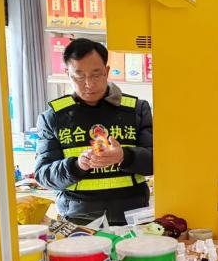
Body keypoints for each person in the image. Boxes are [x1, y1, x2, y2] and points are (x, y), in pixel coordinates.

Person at [35, 38, 153, 225]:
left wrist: (124, 156)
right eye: (79, 76)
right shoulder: (53, 117)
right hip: (79, 220)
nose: (88, 84)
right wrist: (77, 166)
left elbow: (157, 162)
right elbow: (43, 175)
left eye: (96, 75)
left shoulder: (136, 110)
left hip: (133, 218)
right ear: (67, 74)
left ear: (107, 71)